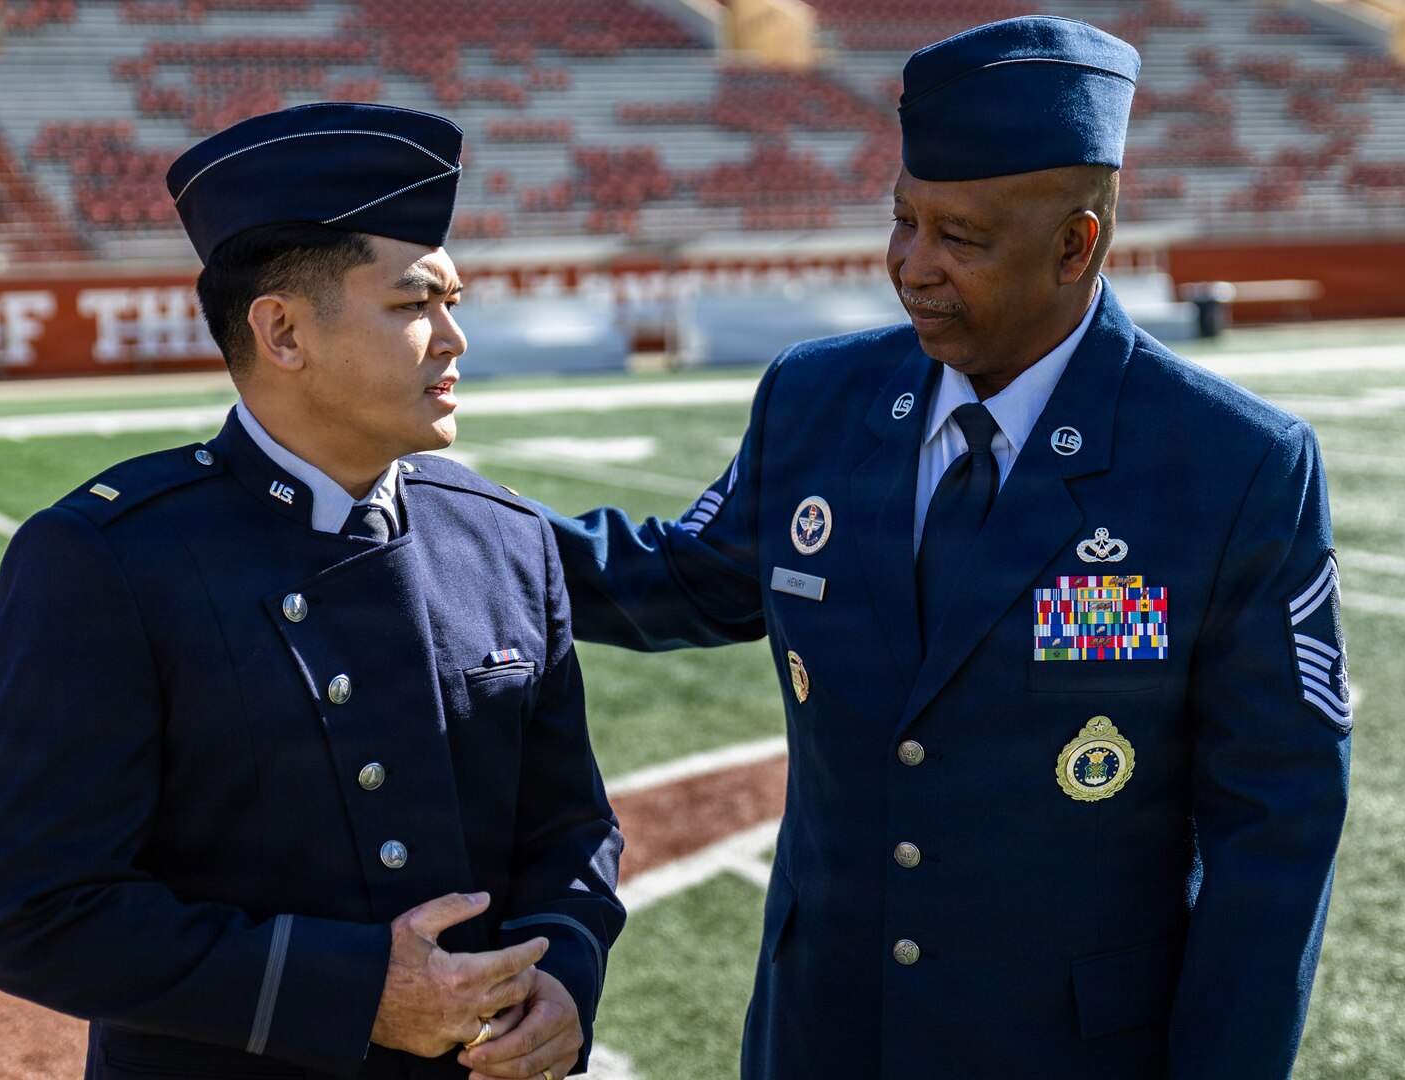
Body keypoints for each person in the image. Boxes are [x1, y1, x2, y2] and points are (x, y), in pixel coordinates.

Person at [539, 17, 1349, 1079]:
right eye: (904, 221)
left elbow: (1274, 837)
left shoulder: (1232, 466)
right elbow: (683, 578)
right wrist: (456, 523)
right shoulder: (817, 398)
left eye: (959, 237)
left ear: (1076, 245)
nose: (910, 266)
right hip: (819, 1035)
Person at [0, 103, 623, 1080]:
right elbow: (41, 911)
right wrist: (357, 991)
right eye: (413, 306)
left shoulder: (505, 537)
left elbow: (570, 828)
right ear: (281, 332)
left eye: (451, 302)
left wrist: (568, 972)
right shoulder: (105, 560)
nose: (454, 340)